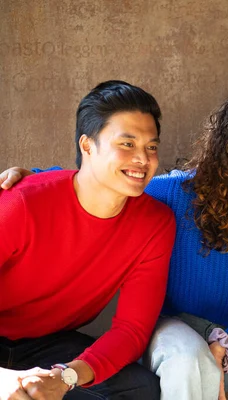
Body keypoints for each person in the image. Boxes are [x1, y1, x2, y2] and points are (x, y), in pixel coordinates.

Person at [1, 86, 228, 400]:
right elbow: (89, 185)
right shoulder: (173, 194)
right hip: (176, 328)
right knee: (186, 357)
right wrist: (36, 181)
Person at [0, 80, 176, 400]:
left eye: (151, 146)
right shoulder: (22, 203)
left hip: (50, 344)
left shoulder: (155, 223)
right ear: (87, 146)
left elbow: (131, 330)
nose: (143, 158)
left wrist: (64, 376)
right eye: (127, 144)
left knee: (140, 389)